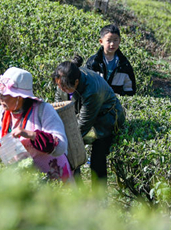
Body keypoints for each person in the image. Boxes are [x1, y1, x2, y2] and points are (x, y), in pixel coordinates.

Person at [53, 55, 125, 184]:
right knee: (72, 154)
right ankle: (79, 194)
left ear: (76, 82)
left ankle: (100, 198)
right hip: (87, 115)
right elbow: (60, 106)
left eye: (64, 88)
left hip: (106, 119)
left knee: (97, 159)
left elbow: (84, 122)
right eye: (60, 87)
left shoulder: (92, 89)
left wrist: (67, 141)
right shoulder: (63, 81)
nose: (61, 90)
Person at [85, 24, 136, 96]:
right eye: (108, 41)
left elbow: (130, 89)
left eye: (115, 40)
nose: (112, 44)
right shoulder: (93, 62)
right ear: (101, 42)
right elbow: (86, 84)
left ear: (119, 41)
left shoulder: (124, 64)